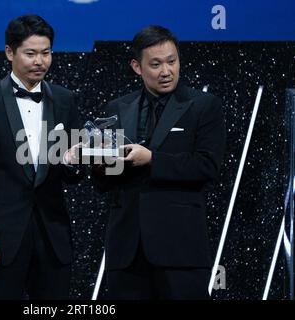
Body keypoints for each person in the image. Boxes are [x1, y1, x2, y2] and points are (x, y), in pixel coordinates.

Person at [92, 25, 226, 299]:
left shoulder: (203, 105)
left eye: (172, 61)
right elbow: (104, 182)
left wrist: (152, 159)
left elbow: (207, 166)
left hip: (180, 249)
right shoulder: (116, 108)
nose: (166, 71)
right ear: (137, 67)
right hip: (126, 250)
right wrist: (95, 160)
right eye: (155, 64)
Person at [0, 15, 82, 299]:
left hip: (53, 236)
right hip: (1, 239)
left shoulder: (65, 100)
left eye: (46, 53)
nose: (40, 61)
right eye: (31, 53)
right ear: (9, 52)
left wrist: (72, 163)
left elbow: (73, 172)